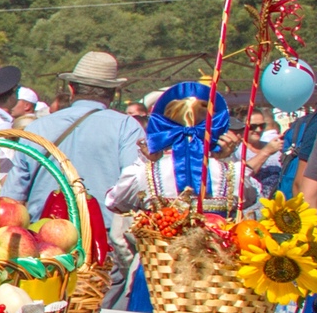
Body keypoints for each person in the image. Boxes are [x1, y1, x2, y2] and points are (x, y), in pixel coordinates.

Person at [10, 51, 147, 305]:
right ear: (113, 93)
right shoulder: (126, 127)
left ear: (71, 88)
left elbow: (11, 199)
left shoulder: (38, 128)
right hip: (101, 247)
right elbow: (136, 186)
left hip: (43, 248)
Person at [104, 84, 260, 216]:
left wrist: (146, 160)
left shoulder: (144, 173)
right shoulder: (234, 173)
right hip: (215, 250)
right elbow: (249, 199)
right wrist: (224, 159)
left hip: (162, 251)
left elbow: (114, 202)